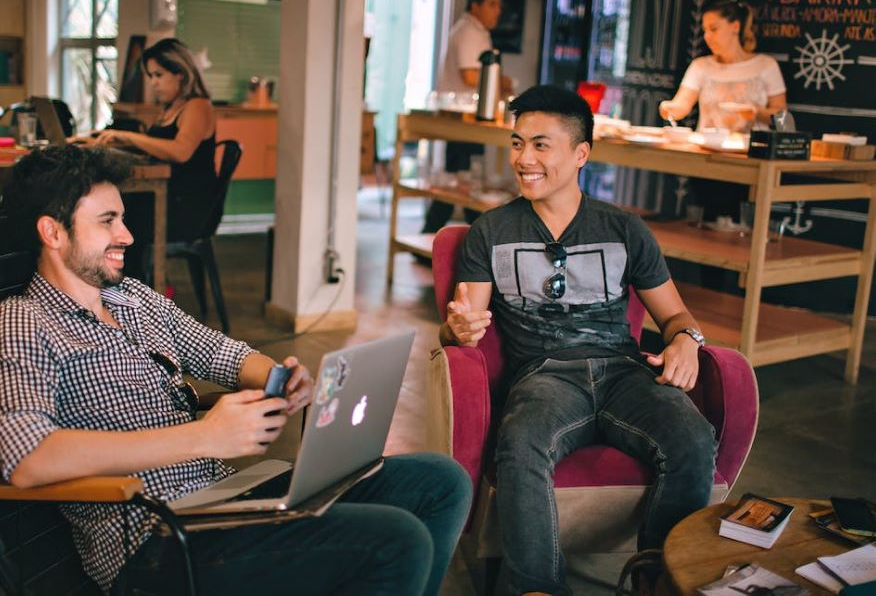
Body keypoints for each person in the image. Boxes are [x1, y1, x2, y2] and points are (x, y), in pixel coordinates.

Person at [0, 144, 472, 596]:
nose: (127, 234)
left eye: (122, 218)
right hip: (154, 541)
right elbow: (28, 459)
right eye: (108, 221)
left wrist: (278, 378)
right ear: (53, 232)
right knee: (395, 540)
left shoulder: (133, 299)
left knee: (439, 481)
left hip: (221, 498)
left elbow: (224, 354)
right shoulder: (24, 320)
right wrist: (205, 436)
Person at [440, 85, 716, 596]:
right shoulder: (491, 231)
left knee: (693, 439)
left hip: (624, 372)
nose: (524, 159)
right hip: (544, 376)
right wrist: (457, 329)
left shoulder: (623, 228)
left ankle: (658, 581)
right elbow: (464, 318)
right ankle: (536, 589)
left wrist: (687, 341)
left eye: (541, 145)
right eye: (517, 143)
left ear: (581, 153)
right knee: (520, 443)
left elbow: (675, 314)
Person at [92, 38, 219, 280]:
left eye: (158, 75)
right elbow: (158, 148)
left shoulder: (198, 106)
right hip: (169, 196)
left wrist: (128, 137)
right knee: (111, 212)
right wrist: (112, 140)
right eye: (151, 76)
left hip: (187, 207)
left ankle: (130, 293)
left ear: (180, 73)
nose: (153, 83)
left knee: (117, 219)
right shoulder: (171, 108)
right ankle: (119, 289)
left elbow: (181, 151)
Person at [422, 0, 513, 235]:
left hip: (469, 121)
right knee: (464, 185)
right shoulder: (469, 31)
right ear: (476, 5)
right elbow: (471, 77)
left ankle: (441, 238)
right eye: (492, 4)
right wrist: (502, 81)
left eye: (499, 6)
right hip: (464, 121)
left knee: (463, 185)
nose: (498, 11)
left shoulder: (475, 31)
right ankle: (468, 241)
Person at [658, 0, 787, 133]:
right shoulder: (700, 66)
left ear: (735, 27)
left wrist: (757, 112)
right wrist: (669, 108)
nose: (707, 37)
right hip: (706, 148)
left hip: (751, 149)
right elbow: (682, 105)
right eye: (705, 31)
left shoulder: (766, 65)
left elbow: (782, 118)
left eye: (714, 29)